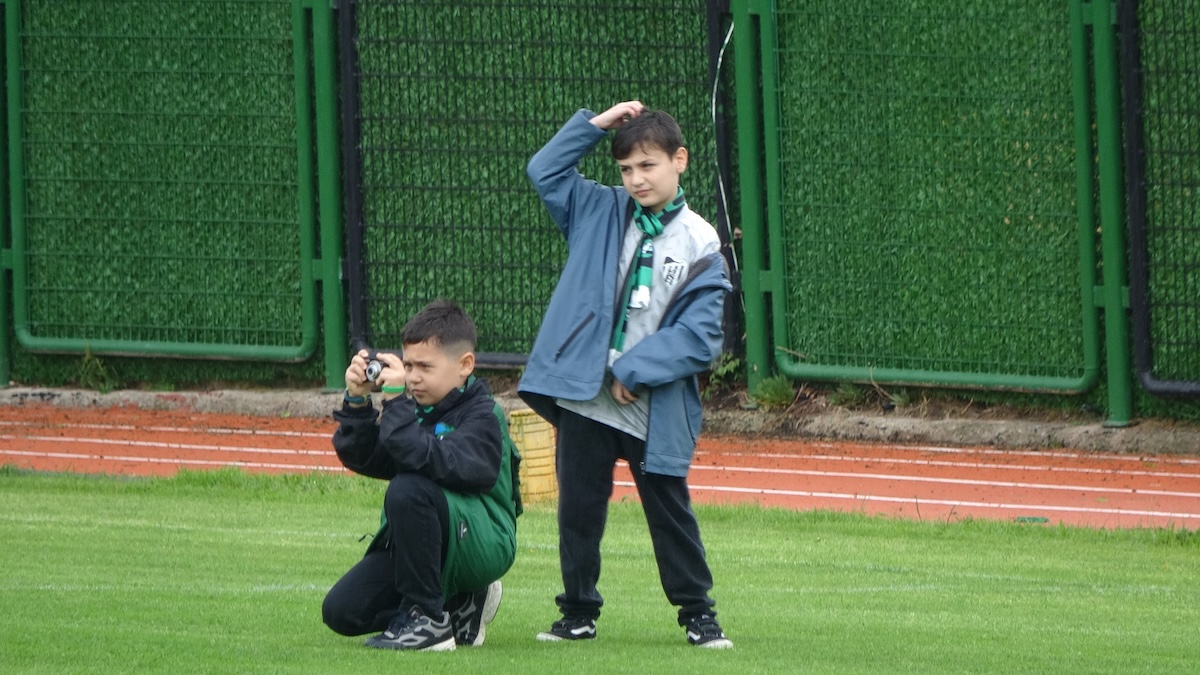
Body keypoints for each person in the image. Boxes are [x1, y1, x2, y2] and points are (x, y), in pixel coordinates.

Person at [519, 101, 734, 648]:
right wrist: (595, 125)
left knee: (669, 512)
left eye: (648, 165)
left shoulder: (701, 241)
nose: (636, 179)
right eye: (626, 169)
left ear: (679, 160)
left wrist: (635, 368)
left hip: (651, 406)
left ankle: (698, 615)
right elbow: (544, 171)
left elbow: (701, 337)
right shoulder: (596, 209)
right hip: (584, 400)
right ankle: (577, 612)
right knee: (578, 512)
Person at [322, 300, 521, 652]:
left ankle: (429, 620)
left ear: (465, 366)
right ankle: (459, 607)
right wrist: (356, 402)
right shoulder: (415, 408)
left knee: (409, 488)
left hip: (485, 540)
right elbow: (367, 457)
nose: (413, 377)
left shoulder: (483, 415)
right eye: (408, 364)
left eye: (425, 367)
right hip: (424, 543)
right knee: (342, 612)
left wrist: (397, 402)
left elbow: (428, 458)